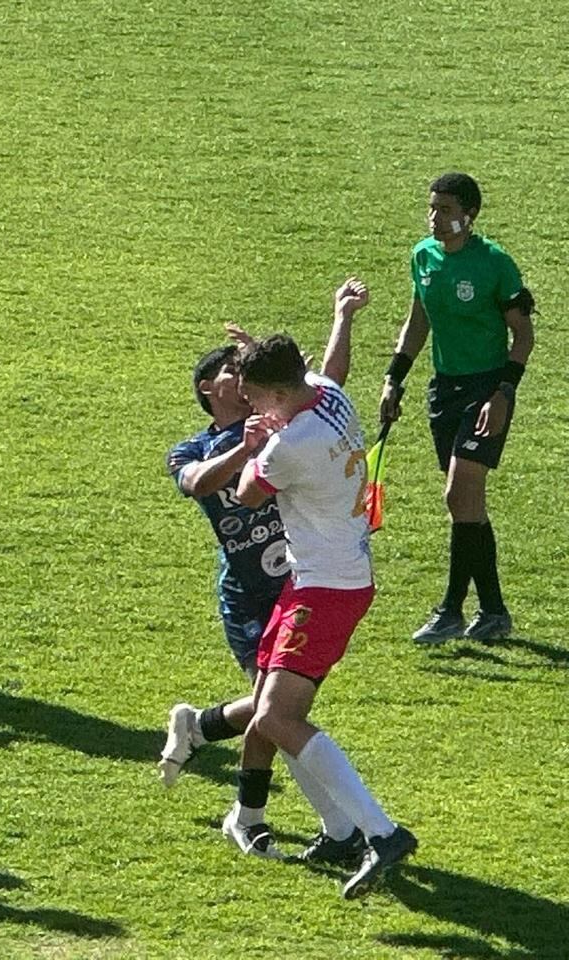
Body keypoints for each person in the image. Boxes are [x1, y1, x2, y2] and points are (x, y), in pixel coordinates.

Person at [161, 281, 374, 869]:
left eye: (244, 370)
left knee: (277, 712)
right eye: (228, 371)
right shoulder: (194, 448)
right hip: (249, 592)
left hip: (300, 579)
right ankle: (322, 825)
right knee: (278, 714)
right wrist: (249, 448)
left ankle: (210, 745)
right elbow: (199, 484)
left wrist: (338, 320)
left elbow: (321, 385)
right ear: (209, 390)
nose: (237, 375)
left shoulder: (281, 420)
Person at [224, 307, 417, 900]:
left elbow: (247, 493)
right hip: (330, 576)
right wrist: (334, 321)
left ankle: (381, 833)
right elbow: (328, 369)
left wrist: (255, 444)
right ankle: (338, 832)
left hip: (324, 589)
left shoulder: (289, 445)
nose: (254, 408)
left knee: (277, 718)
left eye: (257, 399)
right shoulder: (328, 396)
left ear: (280, 394)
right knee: (267, 707)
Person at [380, 172, 534, 645]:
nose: (435, 218)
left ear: (470, 215)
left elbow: (523, 335)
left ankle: (449, 610)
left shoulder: (494, 264)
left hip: (487, 390)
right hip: (444, 390)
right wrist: (394, 378)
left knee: (457, 493)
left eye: (445, 210)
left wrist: (503, 394)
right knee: (466, 504)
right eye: (432, 208)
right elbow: (418, 320)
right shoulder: (423, 257)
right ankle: (493, 612)